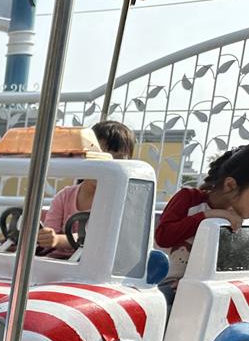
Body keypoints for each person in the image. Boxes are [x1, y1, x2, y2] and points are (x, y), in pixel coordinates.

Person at [155, 145, 249, 300]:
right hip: (163, 284)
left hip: (201, 289)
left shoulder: (238, 223)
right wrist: (207, 216)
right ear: (230, 185)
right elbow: (163, 237)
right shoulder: (188, 198)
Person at [37, 120, 136, 257]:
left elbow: (96, 237)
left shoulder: (119, 202)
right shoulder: (65, 196)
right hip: (59, 262)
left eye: (118, 159)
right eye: (100, 156)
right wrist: (46, 236)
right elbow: (50, 232)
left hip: (97, 264)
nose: (107, 166)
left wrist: (58, 240)